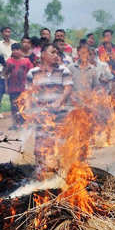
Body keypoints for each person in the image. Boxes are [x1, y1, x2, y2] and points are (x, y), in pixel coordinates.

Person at [25, 43, 73, 174]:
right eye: (53, 52)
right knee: (40, 145)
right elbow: (28, 94)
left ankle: (61, 174)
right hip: (41, 115)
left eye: (57, 53)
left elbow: (68, 89)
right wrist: (29, 112)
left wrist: (58, 102)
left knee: (60, 145)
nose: (56, 55)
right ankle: (40, 173)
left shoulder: (64, 70)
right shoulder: (32, 73)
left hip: (61, 115)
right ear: (43, 55)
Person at [3, 43, 33, 130]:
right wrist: (6, 86)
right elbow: (5, 74)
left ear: (21, 51)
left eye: (17, 49)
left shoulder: (26, 61)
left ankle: (24, 123)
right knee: (14, 106)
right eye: (13, 50)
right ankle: (15, 124)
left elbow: (31, 73)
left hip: (24, 88)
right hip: (13, 87)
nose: (15, 51)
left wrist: (30, 86)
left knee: (24, 106)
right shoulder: (9, 61)